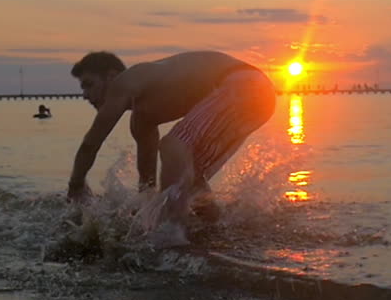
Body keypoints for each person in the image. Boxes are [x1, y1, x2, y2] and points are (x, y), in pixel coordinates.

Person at [66, 50, 276, 216]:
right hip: (260, 96)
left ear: (111, 77)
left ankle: (170, 235)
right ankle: (214, 225)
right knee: (189, 175)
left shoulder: (125, 81)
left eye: (89, 84)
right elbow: (147, 187)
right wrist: (140, 211)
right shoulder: (141, 120)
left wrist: (75, 186)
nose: (84, 94)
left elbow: (90, 144)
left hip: (243, 83)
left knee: (172, 145)